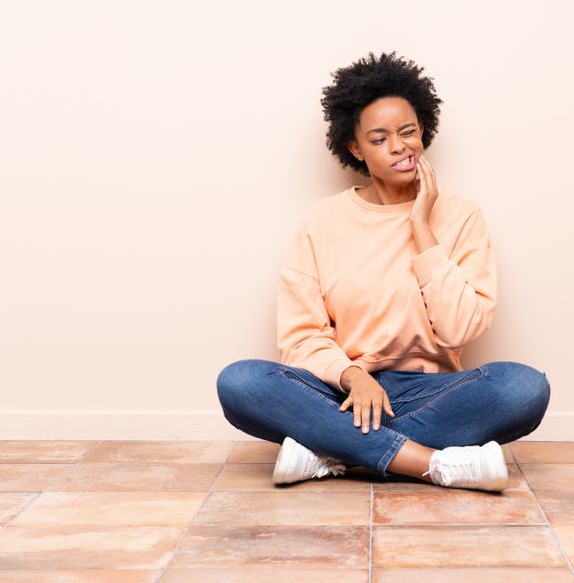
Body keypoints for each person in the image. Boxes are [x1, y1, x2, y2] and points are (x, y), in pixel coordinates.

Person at [216, 51, 551, 492]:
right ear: (355, 147)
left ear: (423, 130)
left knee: (523, 388)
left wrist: (421, 228)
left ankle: (332, 453)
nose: (399, 146)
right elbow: (301, 337)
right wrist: (353, 376)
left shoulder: (461, 216)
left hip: (430, 392)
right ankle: (431, 463)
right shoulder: (323, 221)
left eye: (408, 132)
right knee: (241, 382)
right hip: (341, 391)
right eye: (379, 139)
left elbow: (459, 329)